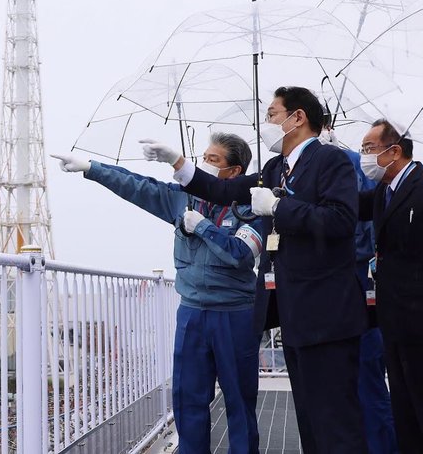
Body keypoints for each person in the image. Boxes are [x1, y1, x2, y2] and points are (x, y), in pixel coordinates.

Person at [144, 86, 368, 453]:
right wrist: (177, 162)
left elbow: (342, 220)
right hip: (294, 314)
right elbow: (221, 190)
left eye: (271, 114)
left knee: (335, 423)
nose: (266, 123)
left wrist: (279, 207)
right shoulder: (275, 168)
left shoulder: (331, 161)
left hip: (327, 315)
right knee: (310, 422)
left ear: (298, 117)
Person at [52, 132, 264, 454]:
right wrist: (91, 168)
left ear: (234, 172)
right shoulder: (183, 199)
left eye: (214, 160)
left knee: (239, 401)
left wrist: (204, 227)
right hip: (191, 312)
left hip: (234, 314)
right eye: (203, 157)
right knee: (187, 397)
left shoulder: (253, 207)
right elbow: (137, 186)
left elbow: (241, 255)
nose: (204, 164)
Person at [320, 126, 398, 454]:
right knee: (336, 388)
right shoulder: (305, 169)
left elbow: (369, 202)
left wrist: (347, 156)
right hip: (326, 289)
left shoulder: (355, 165)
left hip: (360, 283)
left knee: (368, 382)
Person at [358, 118, 423, 452]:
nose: (364, 156)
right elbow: (351, 207)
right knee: (404, 409)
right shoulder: (384, 189)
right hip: (393, 320)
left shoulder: (419, 185)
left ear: (394, 150)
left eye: (369, 148)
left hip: (417, 320)